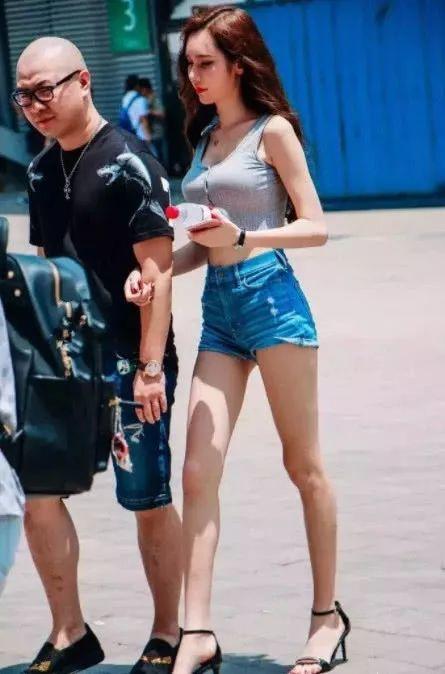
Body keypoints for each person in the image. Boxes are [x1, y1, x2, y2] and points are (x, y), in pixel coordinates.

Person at [125, 6, 351, 674]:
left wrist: (246, 236)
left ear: (238, 65)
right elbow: (203, 246)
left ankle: (326, 618)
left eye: (205, 63)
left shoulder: (270, 131)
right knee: (198, 470)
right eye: (188, 64)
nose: (193, 76)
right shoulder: (204, 138)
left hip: (271, 298)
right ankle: (197, 631)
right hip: (220, 310)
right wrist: (156, 274)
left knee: (303, 466)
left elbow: (315, 225)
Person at [12, 37, 182, 674]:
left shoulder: (129, 161)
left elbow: (158, 271)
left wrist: (150, 369)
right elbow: (50, 268)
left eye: (45, 90)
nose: (35, 106)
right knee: (38, 492)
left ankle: (167, 634)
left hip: (130, 362)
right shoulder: (39, 171)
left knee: (146, 498)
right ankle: (70, 633)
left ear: (83, 81)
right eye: (23, 96)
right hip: (62, 364)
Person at [138, 77, 166, 163]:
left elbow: (162, 113)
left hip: (156, 133)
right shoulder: (145, 99)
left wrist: (150, 112)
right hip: (150, 134)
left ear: (145, 89)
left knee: (158, 159)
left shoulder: (154, 98)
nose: (140, 92)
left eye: (141, 90)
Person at [120, 73, 151, 141]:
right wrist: (148, 137)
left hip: (129, 136)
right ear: (137, 85)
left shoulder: (125, 98)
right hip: (141, 136)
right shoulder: (140, 99)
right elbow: (143, 119)